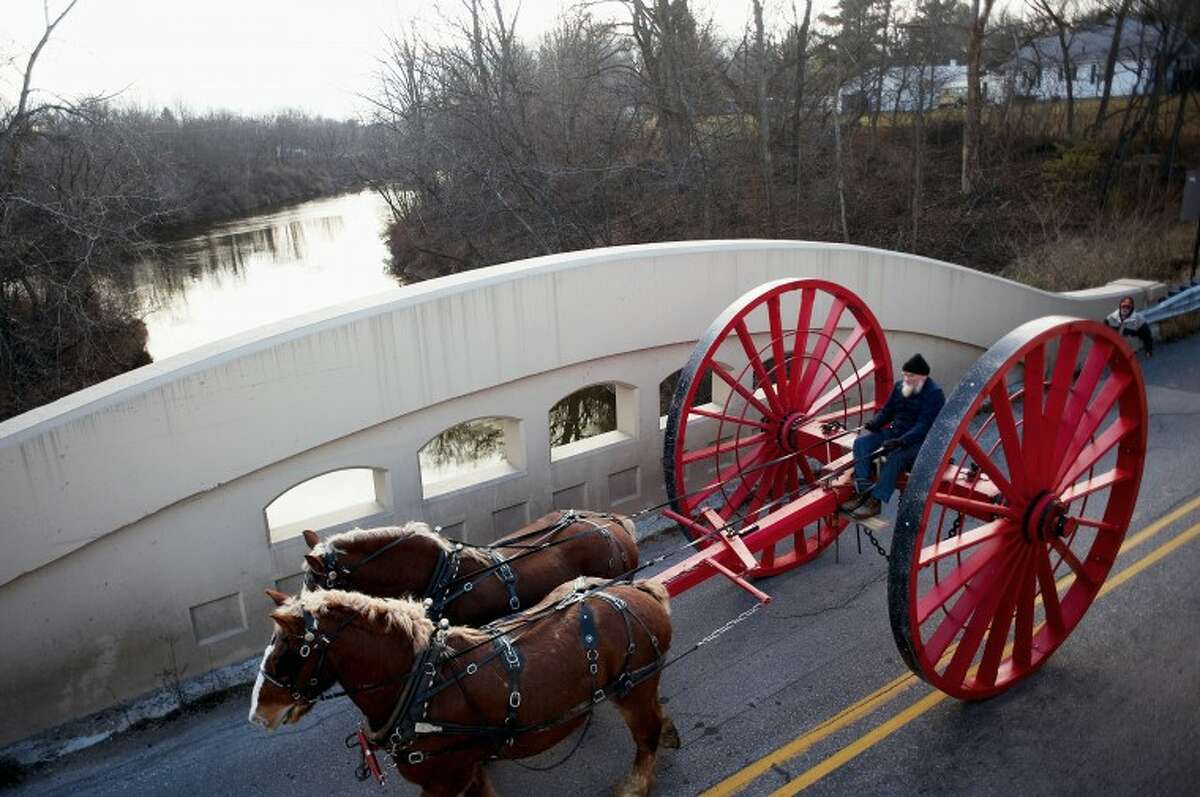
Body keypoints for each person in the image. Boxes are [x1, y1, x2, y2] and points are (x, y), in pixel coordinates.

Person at [840, 354, 945, 521]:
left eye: (910, 375)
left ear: (923, 376)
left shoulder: (934, 393)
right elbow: (887, 412)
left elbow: (924, 426)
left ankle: (876, 501)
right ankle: (864, 492)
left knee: (896, 456)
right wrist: (875, 422)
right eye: (905, 374)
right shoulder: (899, 387)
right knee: (861, 444)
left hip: (921, 442)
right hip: (896, 432)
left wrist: (901, 441)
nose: (906, 378)